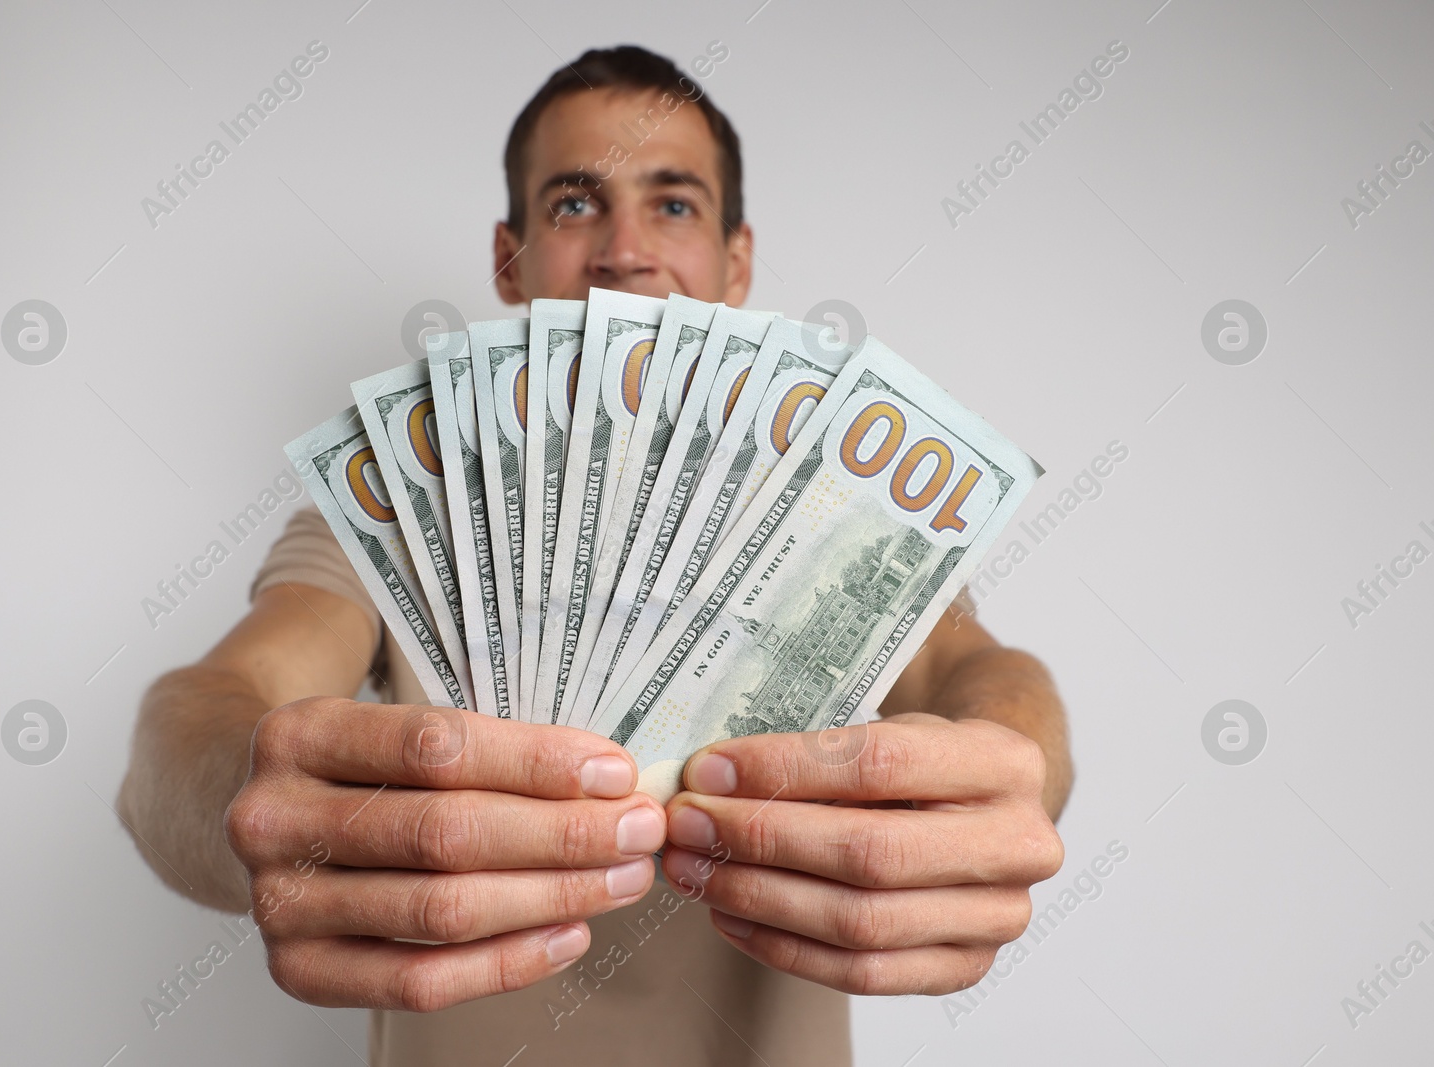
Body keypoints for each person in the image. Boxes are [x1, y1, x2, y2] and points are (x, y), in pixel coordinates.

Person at [117, 44, 1070, 1066]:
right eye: (575, 204)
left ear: (735, 260)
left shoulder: (832, 508)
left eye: (672, 204)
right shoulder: (411, 490)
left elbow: (981, 673)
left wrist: (1012, 767)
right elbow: (210, 710)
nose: (623, 249)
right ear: (509, 257)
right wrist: (246, 801)